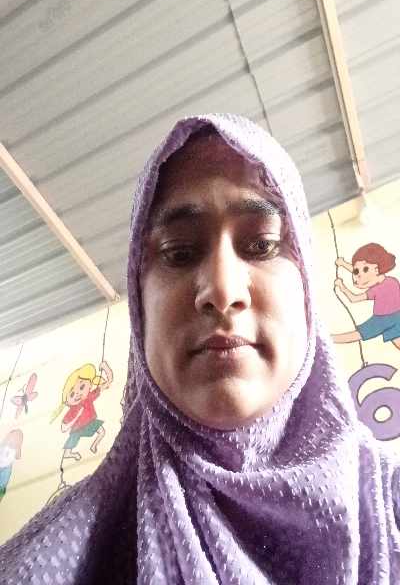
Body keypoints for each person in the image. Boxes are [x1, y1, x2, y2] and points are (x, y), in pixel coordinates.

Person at [0, 114, 399, 584]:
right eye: (178, 252)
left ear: (307, 290)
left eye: (262, 244)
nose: (221, 289)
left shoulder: (390, 508)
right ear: (139, 309)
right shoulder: (45, 564)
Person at [333, 243, 400, 350]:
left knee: (356, 335)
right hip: (397, 317)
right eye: (356, 272)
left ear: (377, 269)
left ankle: (326, 339)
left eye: (365, 270)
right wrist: (343, 264)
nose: (357, 277)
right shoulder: (393, 281)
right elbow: (362, 271)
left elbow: (354, 299)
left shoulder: (375, 290)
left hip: (381, 321)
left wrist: (342, 287)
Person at [51, 361, 114, 461]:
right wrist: (75, 418)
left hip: (90, 423)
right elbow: (63, 428)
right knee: (70, 446)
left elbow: (108, 382)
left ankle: (94, 445)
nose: (77, 394)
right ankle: (69, 453)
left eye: (81, 387)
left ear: (89, 386)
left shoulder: (88, 397)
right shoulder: (73, 410)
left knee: (102, 432)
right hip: (77, 429)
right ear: (67, 401)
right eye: (72, 394)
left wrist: (105, 367)